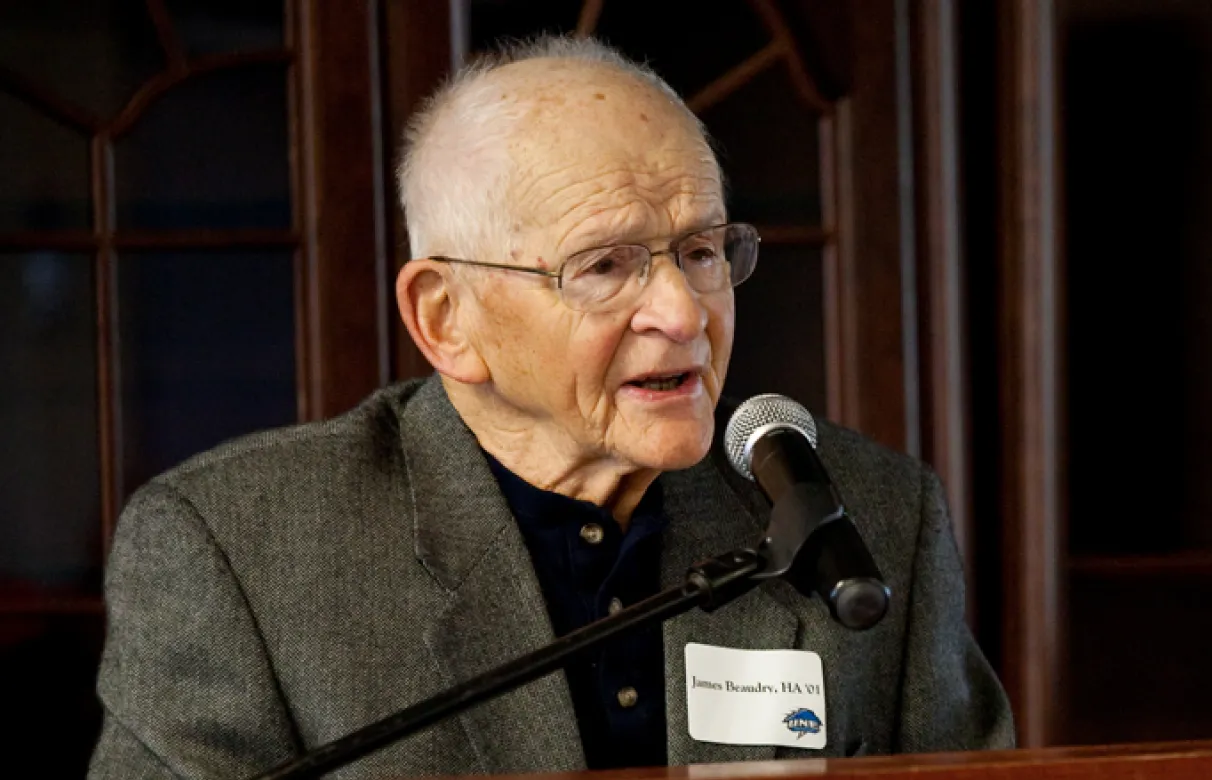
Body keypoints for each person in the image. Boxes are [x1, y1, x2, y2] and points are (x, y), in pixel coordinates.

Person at [87, 35, 1013, 779]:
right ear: (447, 320)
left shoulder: (866, 514)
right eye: (605, 265)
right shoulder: (238, 552)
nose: (685, 312)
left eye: (701, 250)